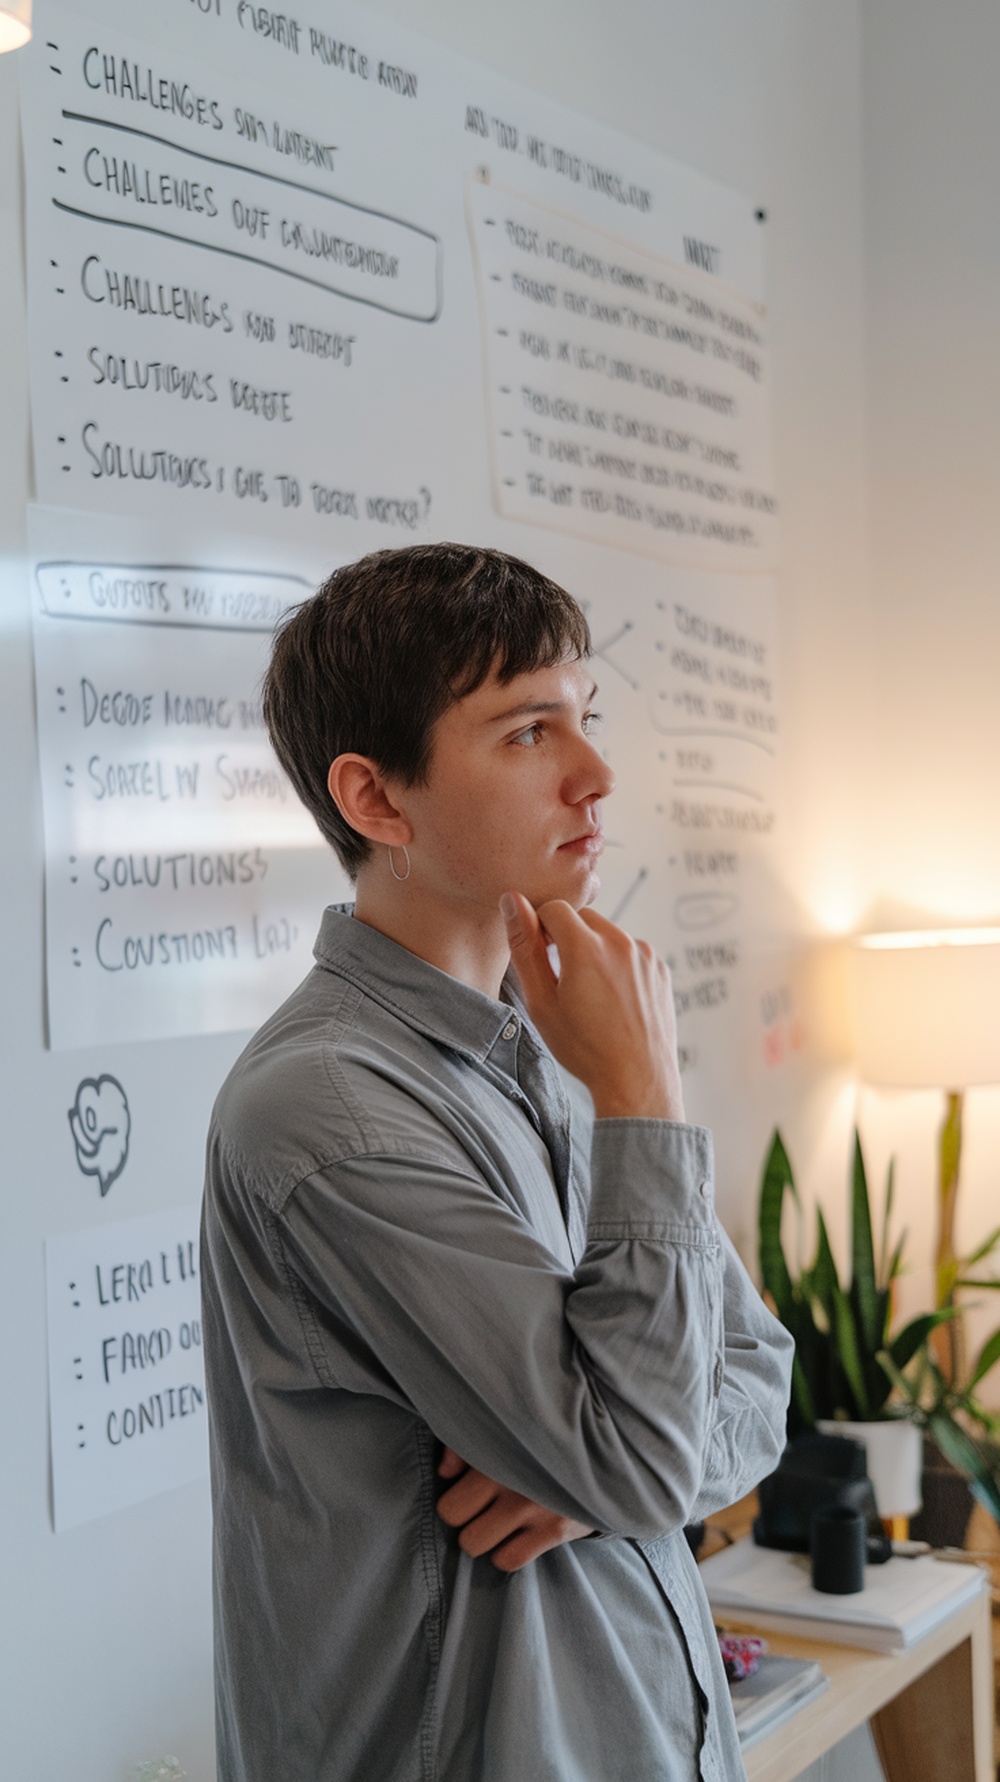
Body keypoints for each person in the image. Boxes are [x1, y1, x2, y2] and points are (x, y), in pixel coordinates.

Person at [201, 542, 793, 1782]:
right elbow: (647, 1448)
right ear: (375, 799)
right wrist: (643, 1093)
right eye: (528, 733)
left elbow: (755, 1374)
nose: (594, 774)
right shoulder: (328, 1110)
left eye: (582, 717)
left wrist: (603, 1476)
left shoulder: (544, 1044)